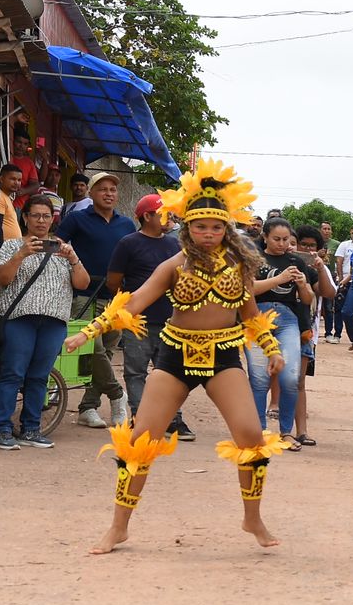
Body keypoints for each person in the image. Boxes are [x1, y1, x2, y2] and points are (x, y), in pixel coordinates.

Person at [64, 159, 285, 555]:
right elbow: (133, 302)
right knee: (139, 440)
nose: (209, 233)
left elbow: (250, 315)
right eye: (200, 226)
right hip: (175, 355)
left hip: (222, 357)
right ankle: (118, 527)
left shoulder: (239, 266)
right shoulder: (173, 265)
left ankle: (252, 516)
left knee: (251, 437)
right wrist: (89, 330)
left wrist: (271, 349)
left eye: (216, 227)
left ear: (226, 229)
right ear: (187, 228)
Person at [0, 195, 90, 449]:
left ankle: (31, 429)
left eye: (47, 216)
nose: (42, 221)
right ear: (25, 218)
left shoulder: (62, 247)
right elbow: (2, 278)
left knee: (39, 377)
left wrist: (73, 259)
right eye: (36, 215)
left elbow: (83, 284)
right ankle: (2, 429)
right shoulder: (12, 246)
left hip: (54, 322)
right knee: (12, 373)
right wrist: (21, 254)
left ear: (53, 218)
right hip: (20, 320)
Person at [108, 194, 191, 441]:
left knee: (172, 373)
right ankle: (140, 419)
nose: (170, 218)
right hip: (138, 322)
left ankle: (174, 421)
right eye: (163, 212)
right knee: (136, 372)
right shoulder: (128, 243)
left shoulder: (174, 245)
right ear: (147, 216)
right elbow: (114, 281)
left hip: (170, 321)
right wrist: (132, 305)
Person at [58, 171, 135, 428]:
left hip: (115, 298)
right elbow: (58, 245)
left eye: (113, 189)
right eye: (102, 189)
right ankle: (117, 395)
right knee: (93, 349)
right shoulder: (77, 219)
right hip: (84, 294)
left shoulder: (126, 224)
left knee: (107, 352)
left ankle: (87, 407)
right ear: (91, 194)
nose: (109, 193)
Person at [247, 218, 316, 450]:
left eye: (286, 239)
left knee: (290, 377)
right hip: (257, 317)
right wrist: (279, 279)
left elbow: (307, 300)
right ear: (265, 236)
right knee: (259, 379)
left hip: (288, 318)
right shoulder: (253, 256)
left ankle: (286, 432)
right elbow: (248, 290)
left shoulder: (296, 260)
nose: (282, 244)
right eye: (276, 239)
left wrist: (303, 285)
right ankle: (260, 431)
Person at [291, 224, 336, 446]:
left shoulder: (315, 269)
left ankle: (301, 432)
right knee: (264, 380)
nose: (308, 250)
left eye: (313, 246)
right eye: (303, 244)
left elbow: (329, 293)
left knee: (298, 381)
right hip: (272, 329)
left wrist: (319, 268)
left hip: (304, 332)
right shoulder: (275, 263)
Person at [318, 220, 343, 343]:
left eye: (329, 229)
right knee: (315, 305)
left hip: (330, 276)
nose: (327, 231)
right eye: (324, 228)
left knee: (328, 306)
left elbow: (339, 260)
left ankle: (328, 333)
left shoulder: (336, 244)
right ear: (320, 230)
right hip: (316, 275)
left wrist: (340, 276)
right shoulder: (315, 242)